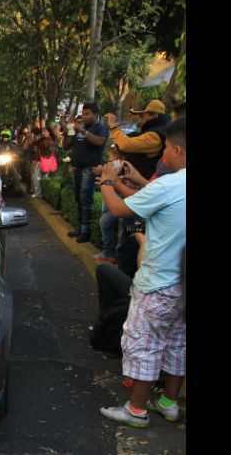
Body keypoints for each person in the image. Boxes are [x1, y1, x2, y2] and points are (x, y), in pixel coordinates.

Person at [98, 117, 186, 428]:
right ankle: (169, 403)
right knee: (177, 342)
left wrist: (109, 181)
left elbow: (121, 209)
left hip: (158, 283)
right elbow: (159, 198)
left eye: (166, 149)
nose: (164, 155)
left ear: (176, 148)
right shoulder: (172, 186)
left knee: (145, 344)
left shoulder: (169, 184)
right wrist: (135, 178)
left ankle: (136, 410)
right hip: (183, 285)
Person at [106, 101, 170, 278]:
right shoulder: (153, 133)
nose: (140, 120)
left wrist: (109, 183)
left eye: (142, 115)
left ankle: (126, 285)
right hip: (142, 191)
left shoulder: (156, 136)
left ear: (154, 115)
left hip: (142, 197)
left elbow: (126, 144)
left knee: (130, 243)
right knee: (128, 237)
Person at [59, 102, 109, 243]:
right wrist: (67, 128)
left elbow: (99, 142)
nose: (84, 116)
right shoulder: (79, 128)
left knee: (85, 199)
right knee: (78, 199)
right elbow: (66, 144)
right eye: (83, 113)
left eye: (87, 114)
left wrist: (82, 130)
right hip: (77, 168)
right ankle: (80, 229)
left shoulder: (100, 129)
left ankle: (86, 232)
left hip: (90, 168)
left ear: (95, 115)